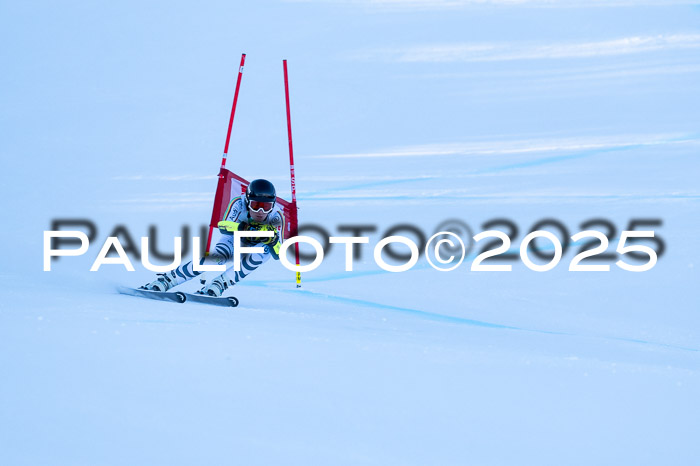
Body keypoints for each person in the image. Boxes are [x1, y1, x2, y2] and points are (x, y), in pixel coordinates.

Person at [141, 179, 285, 296]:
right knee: (219, 259)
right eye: (256, 205)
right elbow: (223, 226)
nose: (261, 211)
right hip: (234, 239)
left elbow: (279, 254)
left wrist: (273, 241)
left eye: (266, 207)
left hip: (254, 248)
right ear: (247, 201)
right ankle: (168, 280)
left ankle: (220, 284)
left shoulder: (276, 216)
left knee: (265, 251)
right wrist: (244, 228)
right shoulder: (238, 203)